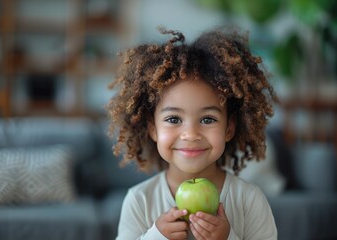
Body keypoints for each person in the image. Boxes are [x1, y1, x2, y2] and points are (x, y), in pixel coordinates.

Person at [106, 26, 278, 240]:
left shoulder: (249, 200)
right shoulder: (140, 200)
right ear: (153, 129)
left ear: (229, 128)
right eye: (173, 119)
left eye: (207, 119)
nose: (190, 134)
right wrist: (155, 236)